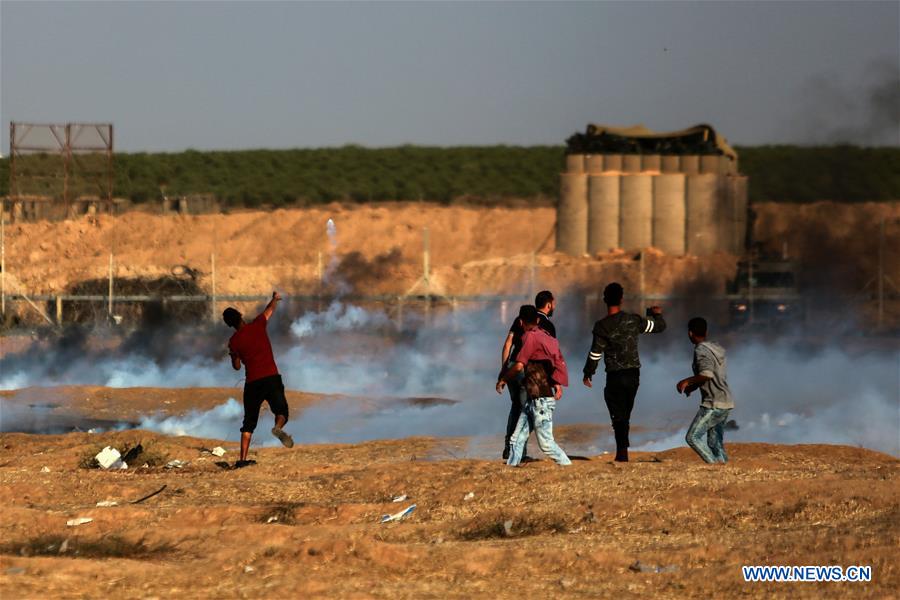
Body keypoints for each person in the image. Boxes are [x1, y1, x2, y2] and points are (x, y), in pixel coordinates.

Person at [582, 282, 666, 462]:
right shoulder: (633, 320)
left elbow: (596, 352)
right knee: (625, 414)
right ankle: (622, 451)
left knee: (618, 415)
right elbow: (658, 327)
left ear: (605, 300)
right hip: (633, 375)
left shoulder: (602, 326)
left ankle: (622, 452)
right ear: (621, 299)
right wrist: (655, 314)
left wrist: (589, 372)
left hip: (615, 376)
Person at [223, 291, 294, 468]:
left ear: (228, 324)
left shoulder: (233, 342)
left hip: (252, 383)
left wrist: (233, 355)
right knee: (282, 411)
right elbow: (269, 310)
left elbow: (237, 367)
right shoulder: (258, 325)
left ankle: (242, 460)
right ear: (240, 315)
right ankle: (278, 428)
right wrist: (275, 299)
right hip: (271, 377)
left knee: (248, 422)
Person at [497, 305, 571, 466]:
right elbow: (554, 361)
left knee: (546, 444)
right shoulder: (546, 336)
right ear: (537, 320)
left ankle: (567, 466)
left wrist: (503, 378)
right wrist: (557, 383)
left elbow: (518, 366)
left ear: (521, 322)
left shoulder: (529, 337)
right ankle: (511, 467)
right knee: (517, 438)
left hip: (541, 400)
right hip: (534, 398)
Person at [676, 317, 735, 464]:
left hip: (713, 404)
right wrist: (693, 387)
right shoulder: (715, 348)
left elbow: (706, 374)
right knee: (714, 443)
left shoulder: (701, 350)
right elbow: (710, 375)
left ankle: (714, 467)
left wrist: (686, 381)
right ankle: (724, 470)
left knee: (692, 437)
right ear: (706, 331)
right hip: (725, 402)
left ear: (690, 333)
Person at [499, 305, 531, 460]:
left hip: (512, 365)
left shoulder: (517, 321)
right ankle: (519, 452)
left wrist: (504, 370)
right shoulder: (540, 323)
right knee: (525, 410)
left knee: (515, 407)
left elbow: (507, 345)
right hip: (524, 368)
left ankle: (508, 448)